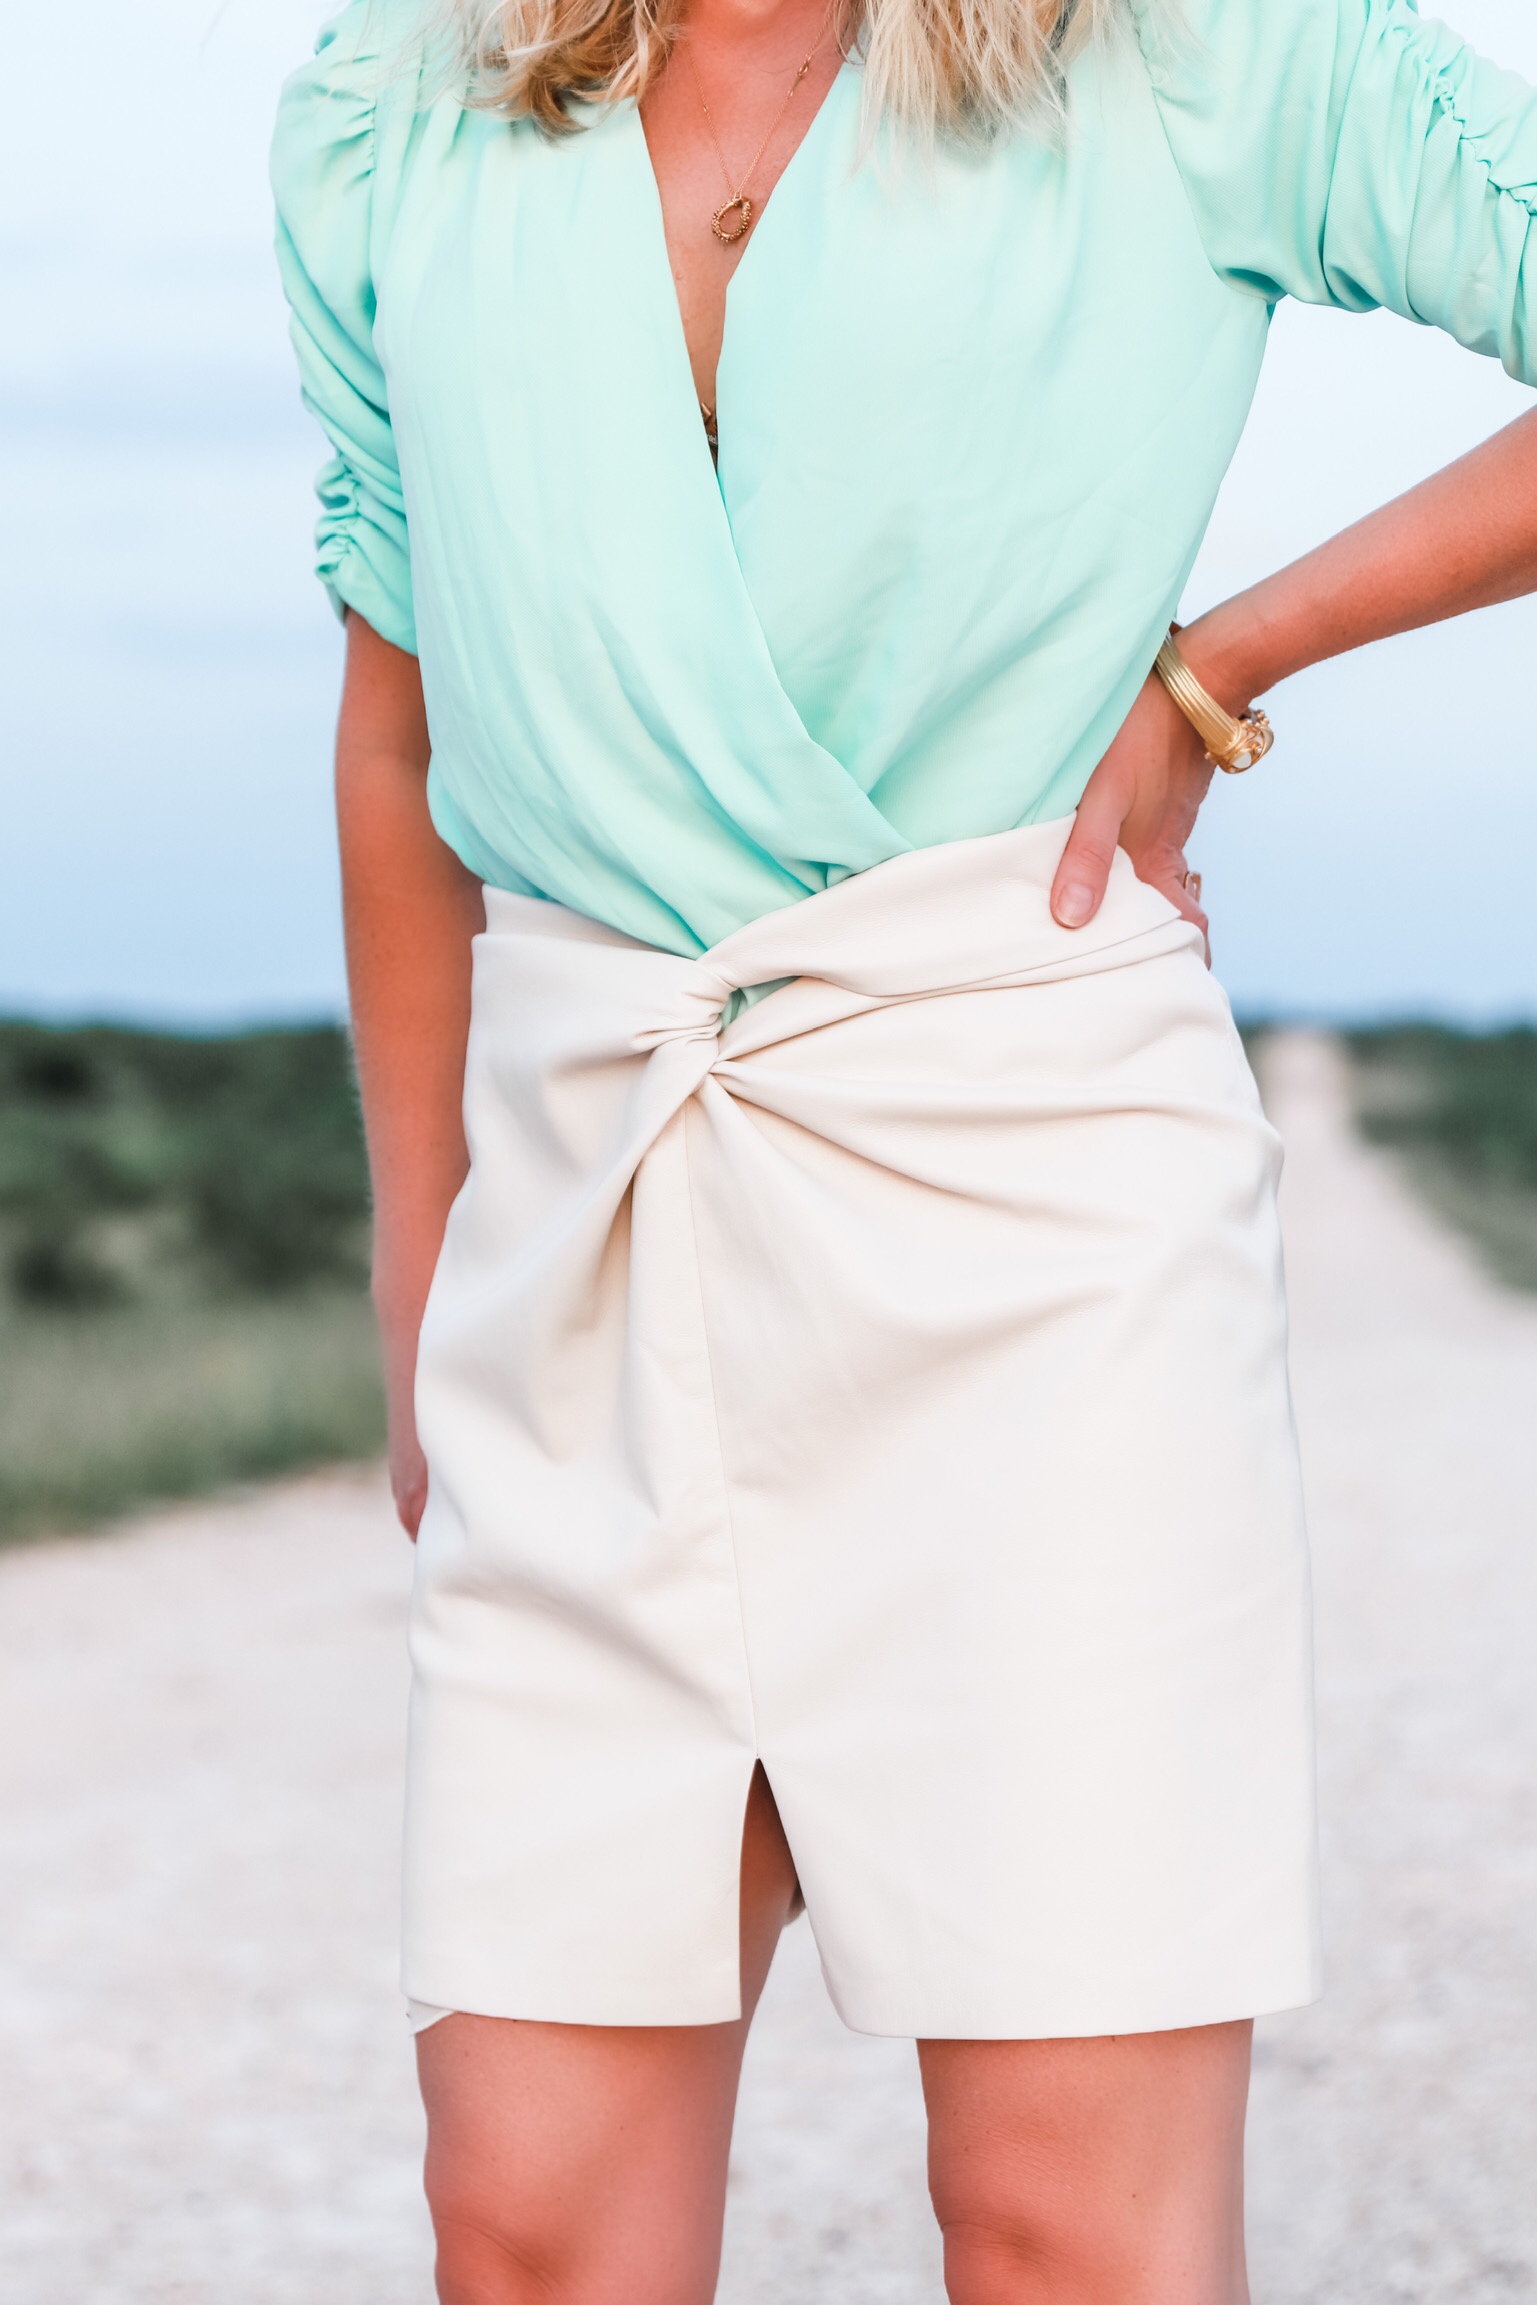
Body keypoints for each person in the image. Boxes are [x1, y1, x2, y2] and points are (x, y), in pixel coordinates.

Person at [271, 0, 1537, 2290]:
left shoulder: (1205, 53)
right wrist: (421, 1261)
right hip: (585, 1205)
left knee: (1069, 2227)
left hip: (1031, 1212)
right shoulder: (397, 106)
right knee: (526, 2218)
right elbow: (400, 714)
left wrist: (1236, 651)